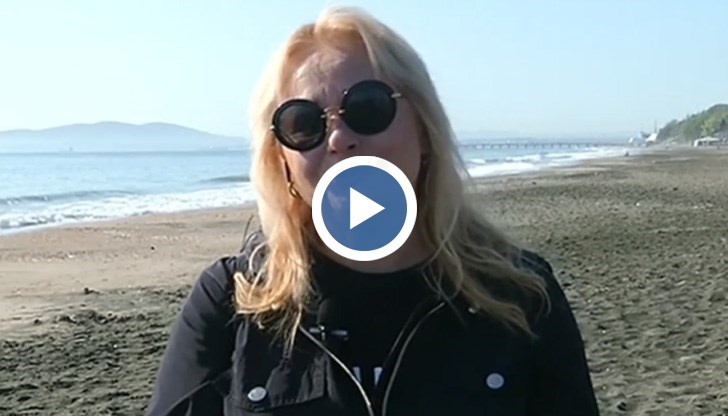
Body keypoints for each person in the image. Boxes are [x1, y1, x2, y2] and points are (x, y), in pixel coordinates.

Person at [146, 6, 600, 416]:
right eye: (303, 123)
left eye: (367, 107)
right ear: (280, 160)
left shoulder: (520, 295)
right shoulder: (232, 300)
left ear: (425, 129)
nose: (338, 138)